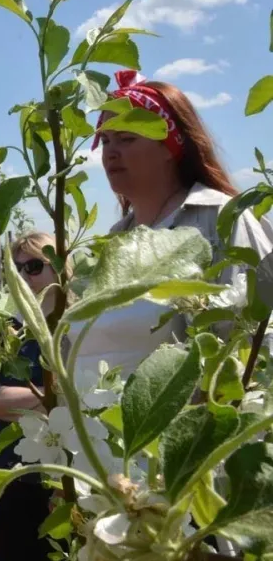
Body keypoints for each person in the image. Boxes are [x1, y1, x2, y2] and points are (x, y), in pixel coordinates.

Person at [70, 69, 273, 385]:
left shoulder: (219, 217)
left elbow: (256, 336)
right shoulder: (114, 242)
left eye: (126, 139)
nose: (110, 152)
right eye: (106, 139)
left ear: (169, 146)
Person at [0, 232, 69, 561]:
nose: (24, 277)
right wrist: (57, 399)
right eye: (16, 269)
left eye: (33, 267)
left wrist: (25, 399)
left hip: (64, 482)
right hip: (7, 477)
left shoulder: (77, 327)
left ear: (61, 269)